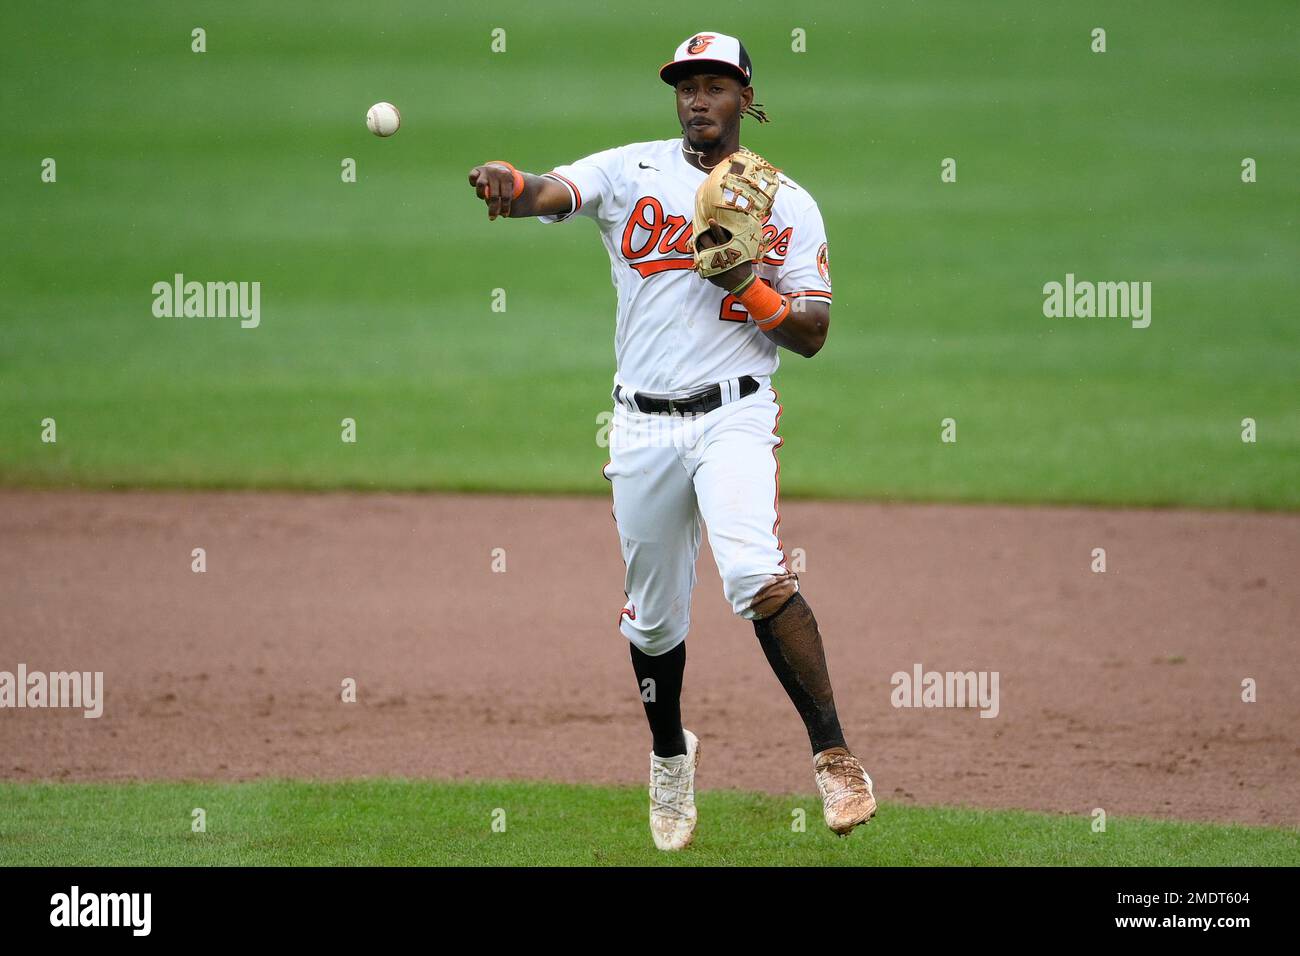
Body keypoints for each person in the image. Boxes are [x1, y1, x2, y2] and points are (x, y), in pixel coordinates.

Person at [466, 31, 876, 850]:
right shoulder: (631, 169)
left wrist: (746, 287)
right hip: (642, 423)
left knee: (756, 572)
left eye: (716, 85)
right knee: (653, 625)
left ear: (745, 98)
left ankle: (833, 754)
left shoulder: (786, 200)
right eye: (686, 85)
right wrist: (512, 187)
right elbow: (554, 190)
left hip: (735, 416)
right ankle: (669, 756)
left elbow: (815, 331)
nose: (697, 98)